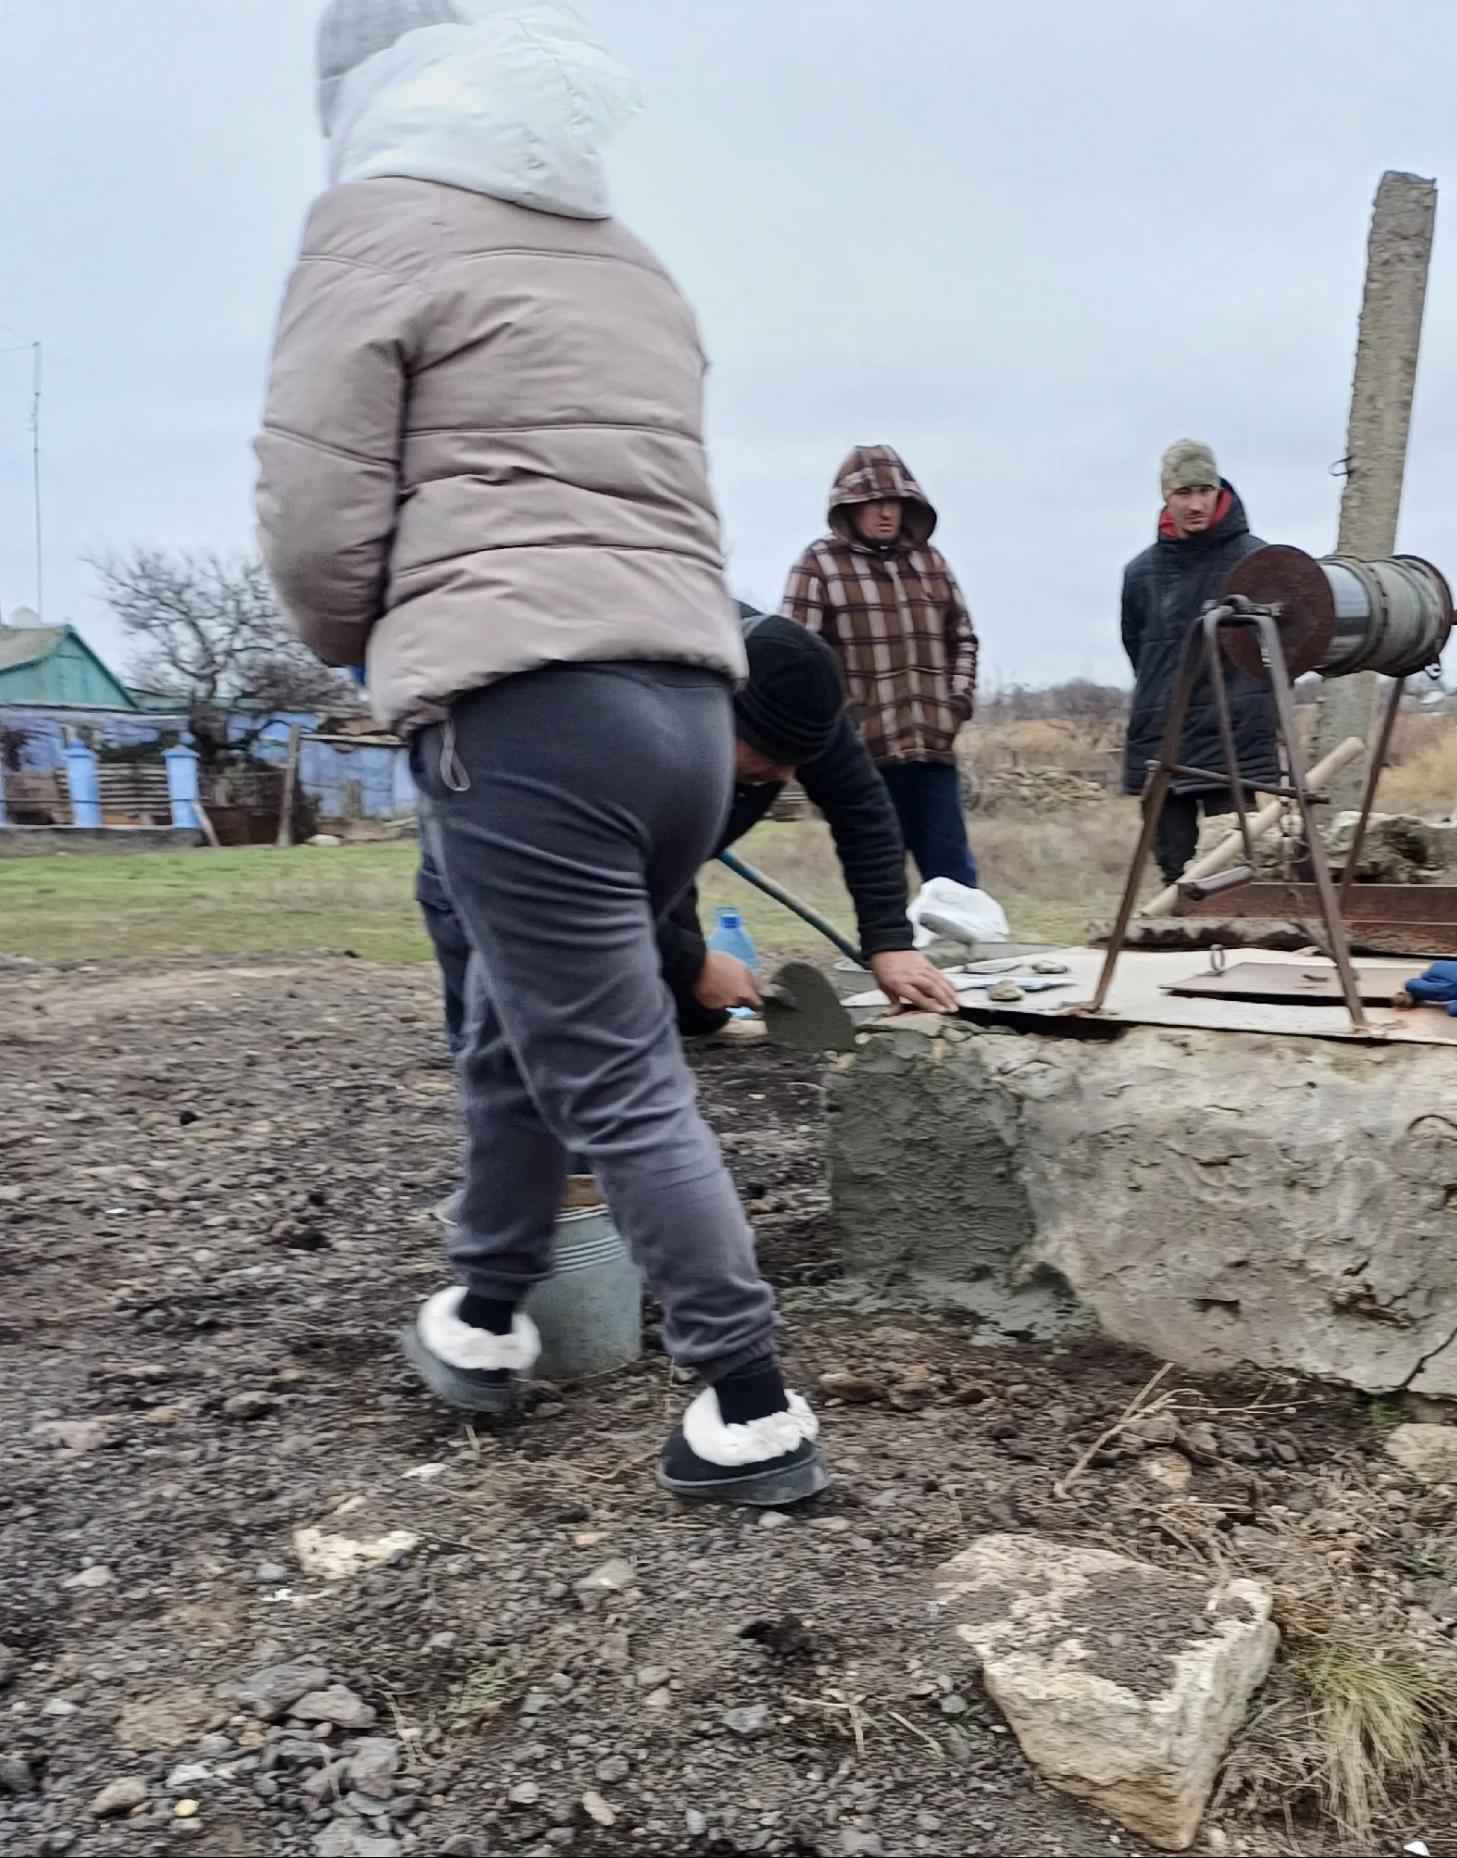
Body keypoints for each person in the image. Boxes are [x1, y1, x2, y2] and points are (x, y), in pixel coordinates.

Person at [256, 0, 823, 1508]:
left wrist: (361, 639)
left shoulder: (372, 228)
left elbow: (316, 502)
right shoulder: (628, 260)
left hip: (527, 705)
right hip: (687, 708)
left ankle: (749, 1403)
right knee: (522, 1032)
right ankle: (485, 1309)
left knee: (618, 1070)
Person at [415, 605, 961, 1047]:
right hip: (500, 830)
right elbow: (573, 884)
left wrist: (890, 941)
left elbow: (863, 810)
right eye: (770, 757)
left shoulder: (791, 693)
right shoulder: (608, 719)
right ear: (708, 714)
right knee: (521, 1043)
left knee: (681, 1008)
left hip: (652, 838)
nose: (789, 776)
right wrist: (690, 959)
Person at [782, 446, 981, 890]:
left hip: (931, 751)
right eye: (873, 503)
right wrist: (833, 730)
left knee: (956, 887)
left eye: (894, 502)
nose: (886, 512)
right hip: (861, 757)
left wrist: (957, 701)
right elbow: (793, 658)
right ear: (848, 508)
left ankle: (962, 960)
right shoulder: (818, 564)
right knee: (880, 883)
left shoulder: (930, 563)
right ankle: (887, 958)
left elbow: (963, 638)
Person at [1120, 441, 1278, 883]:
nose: (1195, 504)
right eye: (1183, 493)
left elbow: (1278, 647)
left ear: (1219, 491)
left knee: (1233, 865)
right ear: (1167, 497)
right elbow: (1140, 650)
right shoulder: (1141, 573)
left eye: (1204, 490)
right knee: (1173, 866)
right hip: (1163, 734)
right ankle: (1178, 943)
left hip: (1233, 735)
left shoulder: (1256, 559)